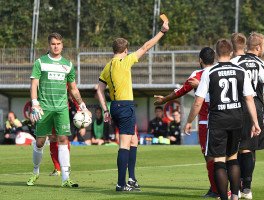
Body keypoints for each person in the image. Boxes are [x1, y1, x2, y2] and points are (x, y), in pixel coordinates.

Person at [96, 20, 169, 192]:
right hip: (125, 106)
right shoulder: (125, 61)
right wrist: (162, 32)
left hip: (114, 106)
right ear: (125, 50)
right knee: (124, 143)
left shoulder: (107, 67)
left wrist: (105, 109)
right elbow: (146, 46)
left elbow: (98, 89)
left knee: (134, 140)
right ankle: (121, 184)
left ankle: (132, 179)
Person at [184, 39, 261, 200]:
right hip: (236, 119)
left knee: (219, 160)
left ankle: (224, 198)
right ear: (231, 52)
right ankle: (234, 196)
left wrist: (189, 121)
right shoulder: (241, 71)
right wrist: (255, 122)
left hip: (218, 120)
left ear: (217, 54)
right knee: (232, 158)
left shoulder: (209, 73)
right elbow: (249, 99)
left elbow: (198, 101)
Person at [154, 47, 220, 197]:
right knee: (227, 155)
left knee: (209, 156)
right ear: (214, 59)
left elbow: (180, 91)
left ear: (200, 60)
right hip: (226, 120)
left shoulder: (197, 75)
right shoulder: (220, 72)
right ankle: (235, 186)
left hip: (207, 122)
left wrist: (164, 99)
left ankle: (217, 189)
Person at [27, 32, 90, 187]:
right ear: (49, 45)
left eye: (59, 44)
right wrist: (35, 103)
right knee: (41, 142)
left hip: (61, 108)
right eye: (53, 44)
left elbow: (73, 89)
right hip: (44, 108)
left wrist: (82, 105)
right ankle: (35, 172)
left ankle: (65, 178)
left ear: (62, 45)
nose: (56, 46)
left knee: (63, 140)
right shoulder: (40, 62)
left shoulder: (68, 65)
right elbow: (34, 84)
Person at [231, 32, 264, 199]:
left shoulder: (235, 61)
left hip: (234, 109)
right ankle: (246, 188)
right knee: (249, 149)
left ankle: (236, 186)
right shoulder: (261, 64)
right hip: (253, 109)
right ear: (258, 47)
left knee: (236, 150)